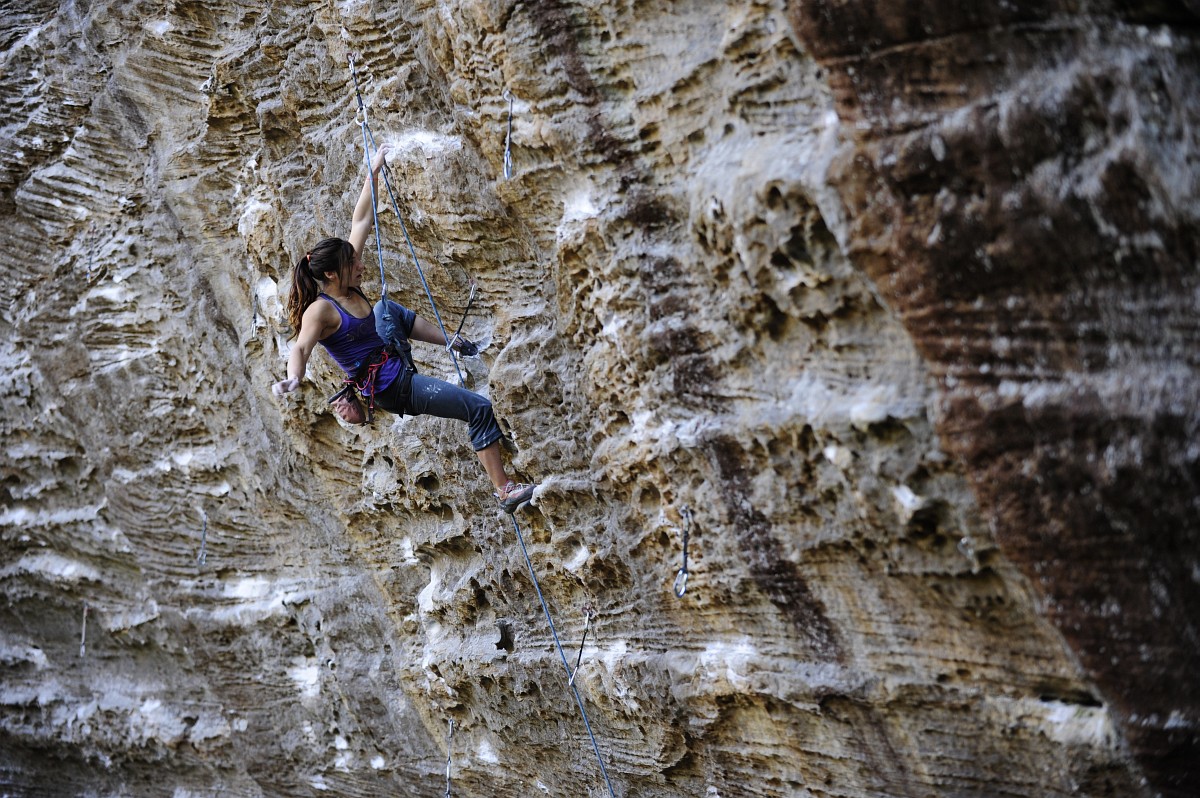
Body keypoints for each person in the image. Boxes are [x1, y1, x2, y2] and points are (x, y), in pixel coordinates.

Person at [271, 144, 537, 513]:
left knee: (384, 308)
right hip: (391, 388)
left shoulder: (346, 281)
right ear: (331, 273)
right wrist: (294, 378)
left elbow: (361, 220)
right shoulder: (322, 310)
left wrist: (373, 172)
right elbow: (300, 347)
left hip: (394, 361)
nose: (361, 265)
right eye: (353, 263)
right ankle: (504, 491)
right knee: (477, 408)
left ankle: (453, 342)